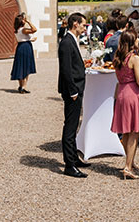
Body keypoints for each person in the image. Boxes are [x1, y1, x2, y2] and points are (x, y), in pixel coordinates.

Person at [110, 31, 139, 179]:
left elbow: (122, 75)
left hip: (121, 92)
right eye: (138, 39)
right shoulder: (134, 58)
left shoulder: (118, 57)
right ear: (133, 42)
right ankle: (127, 166)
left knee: (126, 131)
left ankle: (130, 162)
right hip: (133, 94)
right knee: (134, 131)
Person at [58, 12, 89, 178]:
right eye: (83, 25)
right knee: (70, 127)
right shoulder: (66, 42)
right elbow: (66, 70)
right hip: (73, 91)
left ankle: (74, 158)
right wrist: (73, 91)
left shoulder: (72, 40)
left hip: (77, 88)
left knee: (74, 124)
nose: (85, 28)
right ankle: (69, 165)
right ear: (75, 24)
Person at [10, 13, 37, 93]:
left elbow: (22, 38)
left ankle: (21, 85)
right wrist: (28, 21)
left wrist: (30, 40)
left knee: (20, 66)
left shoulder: (17, 30)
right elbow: (34, 29)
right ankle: (24, 87)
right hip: (26, 48)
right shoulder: (23, 30)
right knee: (26, 66)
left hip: (20, 47)